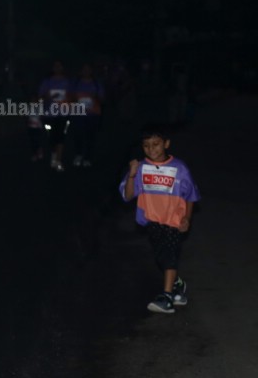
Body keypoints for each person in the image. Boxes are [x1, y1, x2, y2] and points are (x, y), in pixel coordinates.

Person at [120, 127, 199, 314]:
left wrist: (186, 217)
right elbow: (128, 195)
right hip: (152, 221)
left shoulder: (179, 168)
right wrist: (132, 174)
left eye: (155, 144)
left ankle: (166, 297)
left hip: (174, 220)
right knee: (161, 257)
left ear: (166, 144)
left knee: (169, 255)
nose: (151, 149)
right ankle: (177, 286)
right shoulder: (140, 168)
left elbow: (191, 195)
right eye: (146, 145)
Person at [38, 61, 72, 171]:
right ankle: (53, 154)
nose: (57, 68)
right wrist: (47, 96)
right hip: (49, 114)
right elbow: (40, 97)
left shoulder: (67, 82)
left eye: (60, 65)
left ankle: (58, 160)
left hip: (63, 113)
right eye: (55, 66)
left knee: (61, 136)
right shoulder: (47, 82)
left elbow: (73, 96)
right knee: (51, 136)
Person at [69, 63, 104, 168]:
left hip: (92, 115)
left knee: (90, 136)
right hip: (78, 115)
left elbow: (102, 99)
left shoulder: (97, 84)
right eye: (84, 69)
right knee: (78, 135)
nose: (86, 71)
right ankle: (78, 155)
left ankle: (88, 157)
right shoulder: (75, 83)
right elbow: (69, 97)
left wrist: (93, 98)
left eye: (88, 69)